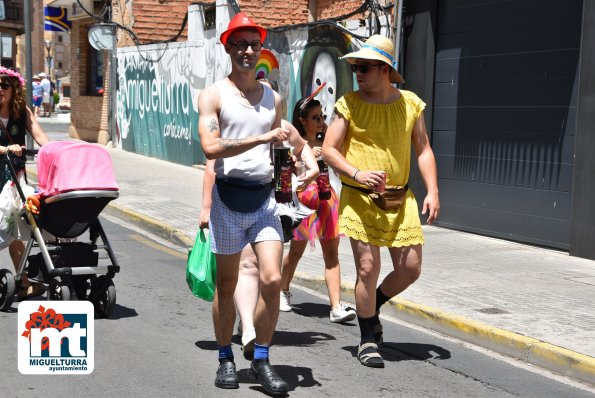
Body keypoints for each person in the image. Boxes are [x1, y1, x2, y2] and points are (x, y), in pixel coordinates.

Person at [196, 12, 317, 396]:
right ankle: (224, 359)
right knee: (227, 282)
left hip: (264, 200)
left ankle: (262, 359)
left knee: (271, 279)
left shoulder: (274, 98)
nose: (248, 51)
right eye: (240, 44)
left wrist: (302, 164)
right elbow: (211, 147)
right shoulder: (214, 95)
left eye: (254, 44)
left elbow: (284, 142)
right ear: (228, 47)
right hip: (227, 200)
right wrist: (264, 136)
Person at [322, 35, 440, 368]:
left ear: (386, 70)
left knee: (410, 269)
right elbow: (330, 149)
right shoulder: (349, 104)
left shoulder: (411, 104)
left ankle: (370, 304)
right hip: (359, 198)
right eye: (356, 67)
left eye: (365, 67)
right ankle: (367, 338)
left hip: (400, 199)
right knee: (368, 267)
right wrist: (356, 173)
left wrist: (432, 190)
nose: (358, 72)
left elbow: (424, 150)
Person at [279, 96, 356, 324]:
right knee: (296, 252)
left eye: (322, 116)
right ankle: (283, 291)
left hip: (326, 199)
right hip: (303, 201)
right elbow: (289, 173)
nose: (321, 121)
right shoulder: (297, 144)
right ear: (302, 121)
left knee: (331, 254)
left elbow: (342, 162)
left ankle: (335, 307)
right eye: (315, 118)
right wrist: (302, 161)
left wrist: (329, 155)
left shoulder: (327, 143)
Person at [0, 67, 50, 297]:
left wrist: (54, 151)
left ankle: (21, 281)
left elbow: (38, 134)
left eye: (4, 85)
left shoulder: (22, 111)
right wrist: (6, 148)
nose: (0, 90)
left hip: (13, 177)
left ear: (14, 88)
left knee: (14, 227)